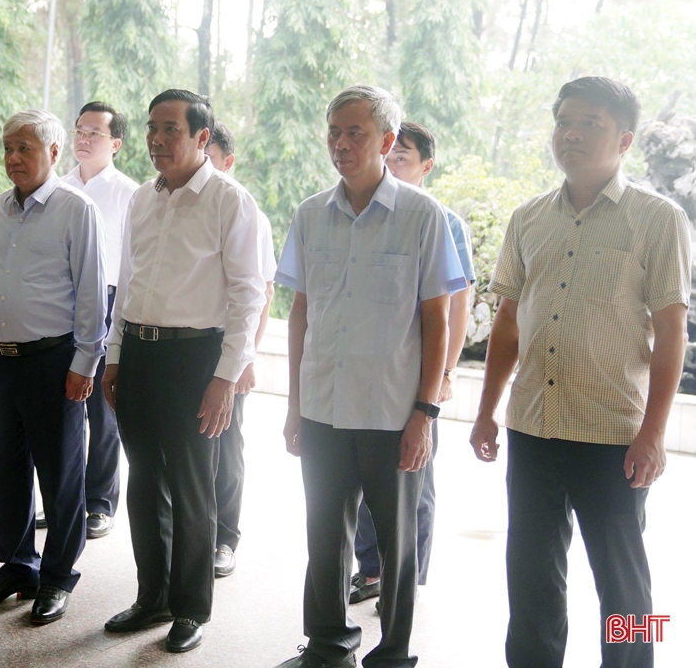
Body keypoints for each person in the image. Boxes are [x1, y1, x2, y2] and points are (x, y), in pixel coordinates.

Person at [470, 77, 690, 668]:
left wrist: (653, 433)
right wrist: (488, 409)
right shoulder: (528, 217)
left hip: (614, 435)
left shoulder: (658, 220)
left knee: (625, 588)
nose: (570, 132)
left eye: (590, 122)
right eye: (563, 120)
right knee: (532, 582)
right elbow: (509, 324)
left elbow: (672, 332)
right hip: (534, 428)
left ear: (625, 139)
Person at [274, 86, 465, 668]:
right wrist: (293, 406)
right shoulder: (311, 214)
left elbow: (436, 320)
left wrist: (424, 415)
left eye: (355, 133)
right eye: (334, 132)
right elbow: (302, 313)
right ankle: (328, 644)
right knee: (324, 535)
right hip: (324, 408)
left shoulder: (423, 216)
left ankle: (395, 653)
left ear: (386, 141)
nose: (341, 144)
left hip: (391, 412)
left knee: (396, 541)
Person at [103, 90, 265, 654]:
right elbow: (127, 282)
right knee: (145, 482)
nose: (156, 139)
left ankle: (190, 609)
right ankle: (154, 597)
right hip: (142, 355)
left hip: (197, 358)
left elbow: (248, 297)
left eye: (170, 128)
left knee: (194, 487)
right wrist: (116, 354)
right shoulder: (142, 200)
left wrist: (225, 378)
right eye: (152, 127)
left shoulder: (230, 201)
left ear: (202, 137)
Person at [0, 109, 106, 626]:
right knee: (6, 468)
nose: (13, 158)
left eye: (25, 147)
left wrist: (85, 361)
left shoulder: (76, 209)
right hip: (1, 360)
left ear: (54, 153)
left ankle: (59, 575)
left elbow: (91, 292)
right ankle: (19, 565)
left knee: (61, 473)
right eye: (7, 148)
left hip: (55, 361)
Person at [350, 121, 476, 606]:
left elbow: (457, 305)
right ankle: (372, 569)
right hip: (366, 373)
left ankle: (407, 577)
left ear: (427, 166)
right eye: (390, 154)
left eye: (403, 156)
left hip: (417, 376)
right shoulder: (363, 211)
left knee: (413, 475)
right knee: (362, 477)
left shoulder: (442, 221)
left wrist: (444, 373)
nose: (393, 163)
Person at [60, 101, 139, 540]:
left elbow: (133, 263)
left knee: (101, 409)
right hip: (61, 302)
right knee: (62, 409)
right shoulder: (58, 186)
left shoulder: (129, 193)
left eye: (94, 132)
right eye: (79, 130)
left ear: (116, 143)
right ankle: (64, 499)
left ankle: (100, 503)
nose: (84, 138)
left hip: (109, 300)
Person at [202, 120, 276, 578]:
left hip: (230, 352)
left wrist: (244, 357)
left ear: (228, 162)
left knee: (227, 448)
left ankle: (225, 538)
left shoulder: (246, 210)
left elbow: (261, 294)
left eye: (208, 158)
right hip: (188, 348)